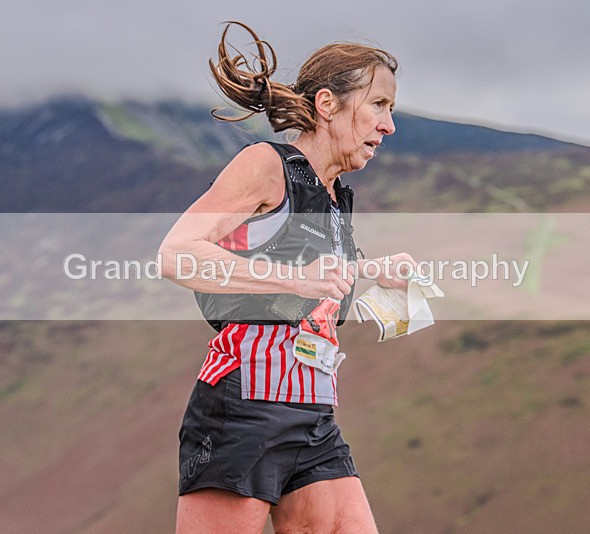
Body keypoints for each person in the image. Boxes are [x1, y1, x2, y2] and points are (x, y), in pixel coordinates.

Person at [159, 21, 418, 534]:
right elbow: (176, 256)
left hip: (315, 416)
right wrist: (296, 280)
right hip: (242, 409)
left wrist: (373, 274)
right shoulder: (266, 164)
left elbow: (313, 279)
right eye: (379, 106)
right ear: (327, 104)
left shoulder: (336, 194)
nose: (389, 126)